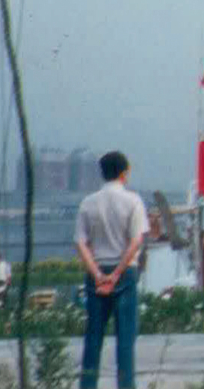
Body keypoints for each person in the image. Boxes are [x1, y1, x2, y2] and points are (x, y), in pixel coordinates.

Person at [74, 151, 149, 389]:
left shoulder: (88, 202)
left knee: (93, 338)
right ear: (124, 173)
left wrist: (97, 274)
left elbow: (80, 242)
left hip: (96, 274)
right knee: (125, 341)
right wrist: (116, 274)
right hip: (124, 273)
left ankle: (87, 385)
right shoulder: (133, 201)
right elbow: (136, 241)